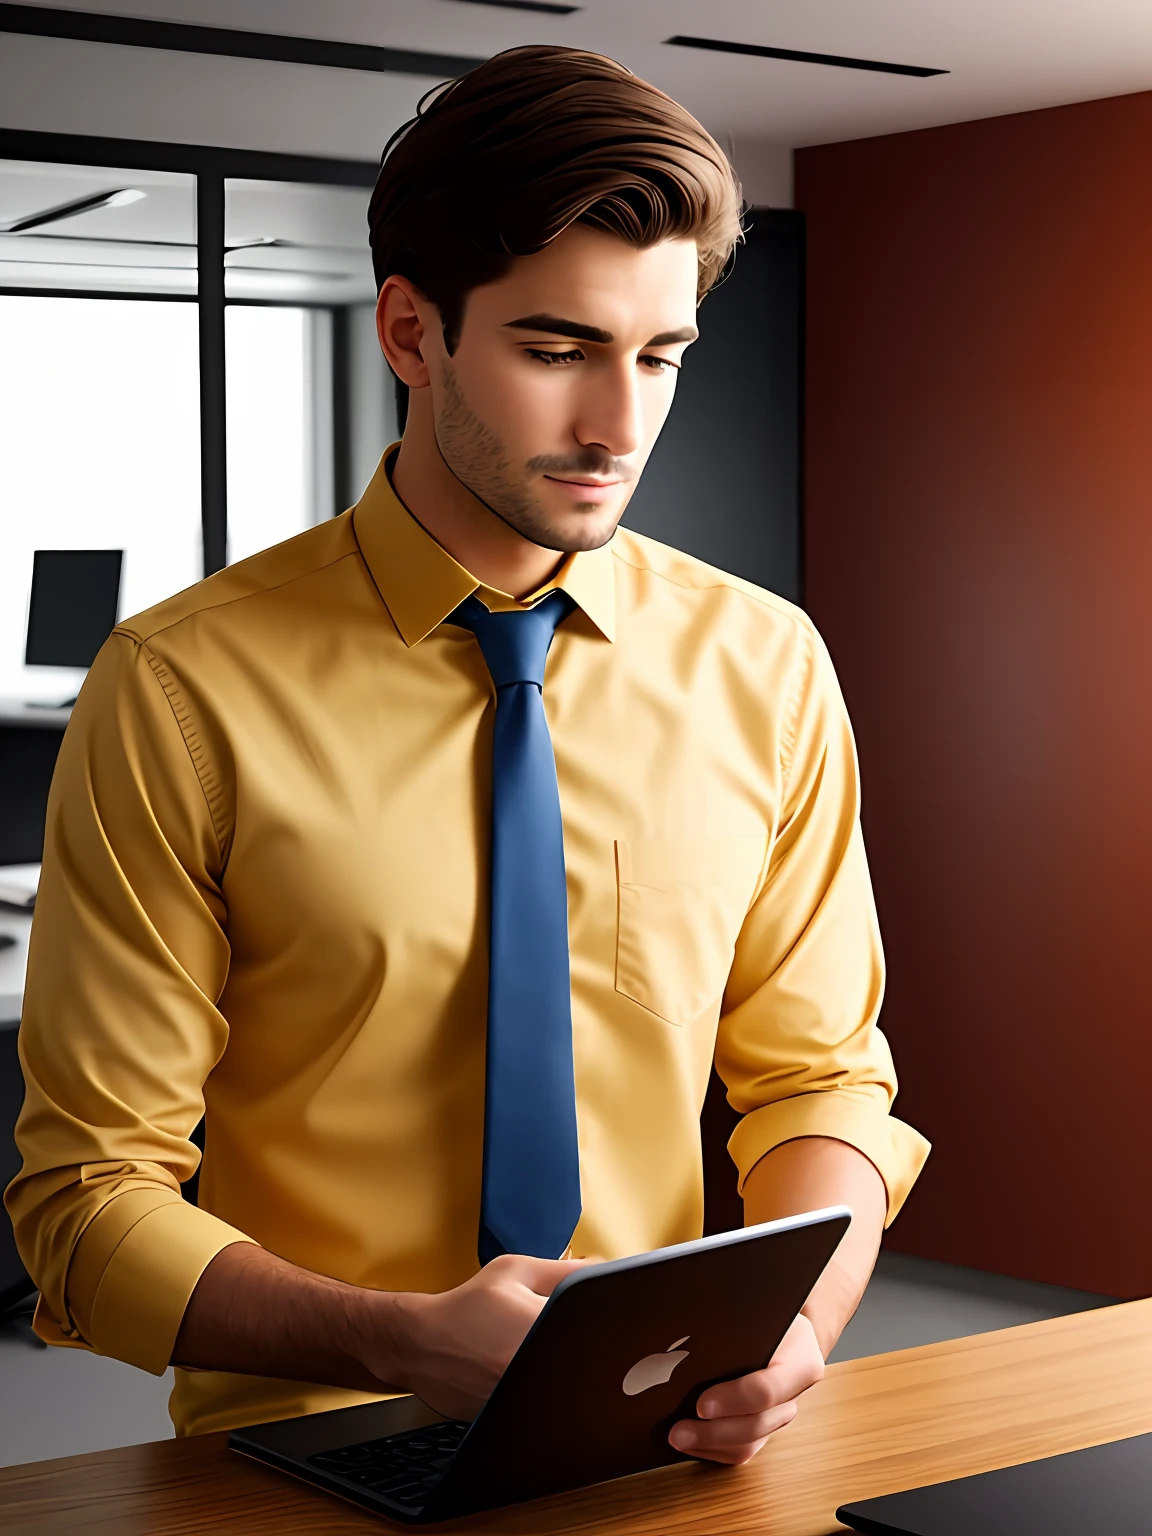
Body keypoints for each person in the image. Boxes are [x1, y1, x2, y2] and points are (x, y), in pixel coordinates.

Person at [6, 45, 928, 1467]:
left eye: (661, 357)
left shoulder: (766, 665)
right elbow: (84, 1204)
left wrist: (794, 1330)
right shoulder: (180, 691)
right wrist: (391, 1335)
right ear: (409, 331)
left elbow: (820, 1088)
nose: (619, 425)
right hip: (302, 1462)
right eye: (556, 351)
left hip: (663, 1450)